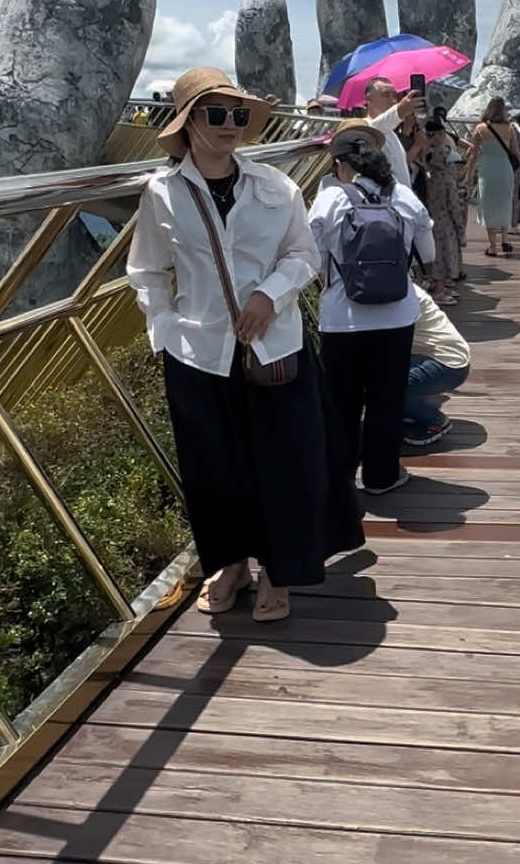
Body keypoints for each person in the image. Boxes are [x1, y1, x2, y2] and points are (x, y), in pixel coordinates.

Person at [127, 67, 361, 624]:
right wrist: (164, 331)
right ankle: (229, 564)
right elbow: (147, 270)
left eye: (237, 115)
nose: (230, 125)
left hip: (274, 345)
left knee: (283, 461)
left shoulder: (273, 185)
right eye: (216, 115)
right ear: (187, 124)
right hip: (197, 354)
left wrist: (269, 295)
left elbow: (302, 255)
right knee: (214, 468)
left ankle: (278, 570)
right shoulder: (162, 193)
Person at [308, 122, 435, 495]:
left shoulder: (330, 199)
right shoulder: (406, 199)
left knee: (341, 402)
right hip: (396, 316)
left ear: (342, 167)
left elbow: (312, 259)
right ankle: (381, 476)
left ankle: (340, 481)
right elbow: (429, 255)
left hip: (340, 320)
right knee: (386, 399)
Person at [403, 282, 472, 447]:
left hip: (448, 364)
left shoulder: (406, 295)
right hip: (432, 356)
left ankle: (435, 422)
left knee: (385, 387)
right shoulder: (403, 287)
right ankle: (408, 407)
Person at [464, 95, 520, 258]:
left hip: (488, 170)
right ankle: (504, 239)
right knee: (504, 203)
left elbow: (474, 154)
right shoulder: (509, 129)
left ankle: (493, 246)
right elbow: (516, 153)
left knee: (488, 205)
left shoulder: (481, 128)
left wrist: (469, 174)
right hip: (505, 169)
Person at [420, 113, 464, 305]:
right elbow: (454, 205)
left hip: (433, 219)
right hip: (445, 222)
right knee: (444, 253)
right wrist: (460, 223)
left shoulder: (429, 177)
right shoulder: (446, 179)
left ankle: (441, 286)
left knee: (437, 251)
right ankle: (440, 289)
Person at [362, 76, 419, 189]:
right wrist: (400, 110)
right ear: (369, 99)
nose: (392, 100)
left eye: (393, 95)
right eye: (385, 94)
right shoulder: (364, 127)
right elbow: (373, 128)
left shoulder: (391, 133)